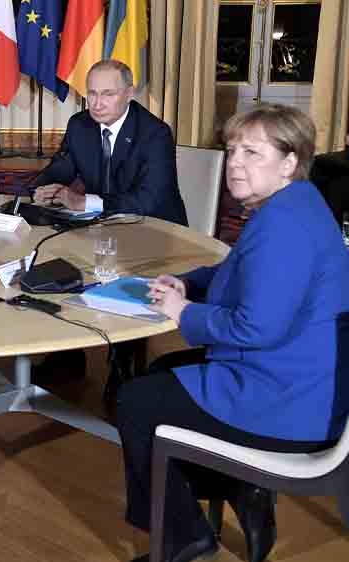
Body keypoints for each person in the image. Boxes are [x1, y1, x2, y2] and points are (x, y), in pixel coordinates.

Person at [117, 104, 349, 562]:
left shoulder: (283, 226)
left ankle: (185, 540)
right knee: (161, 373)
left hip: (289, 400)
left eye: (252, 152)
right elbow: (243, 271)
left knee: (135, 403)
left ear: (289, 162)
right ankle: (239, 485)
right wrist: (191, 283)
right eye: (232, 150)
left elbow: (254, 327)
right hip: (304, 378)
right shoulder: (297, 203)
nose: (235, 163)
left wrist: (184, 311)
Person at [31, 59, 187, 226]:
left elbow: (149, 201)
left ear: (129, 94)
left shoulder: (155, 134)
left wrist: (85, 202)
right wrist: (41, 191)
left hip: (155, 228)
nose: (97, 104)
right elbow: (58, 171)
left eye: (108, 94)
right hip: (100, 227)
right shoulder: (80, 125)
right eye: (92, 93)